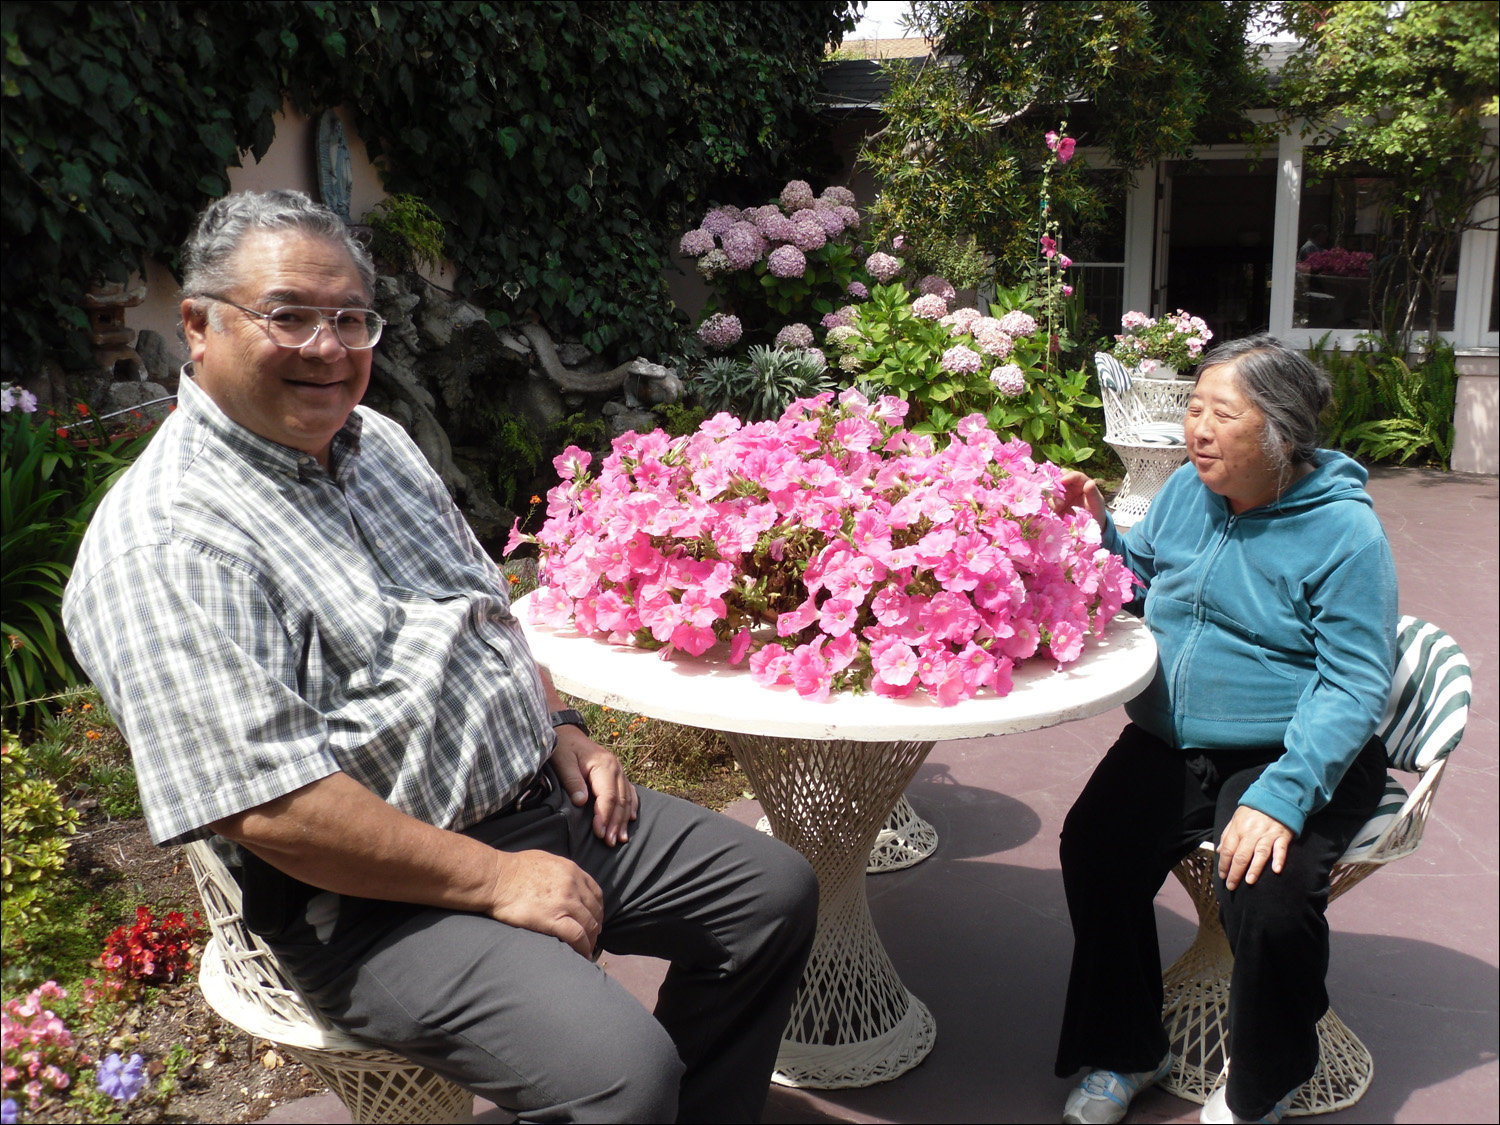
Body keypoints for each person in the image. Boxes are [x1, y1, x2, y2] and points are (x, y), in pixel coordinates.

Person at [62, 190, 818, 1124]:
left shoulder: (373, 440)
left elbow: (481, 608)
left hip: (539, 799)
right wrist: (499, 878)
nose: (330, 348)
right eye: (288, 315)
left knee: (772, 896)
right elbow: (271, 808)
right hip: (374, 899)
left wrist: (563, 726)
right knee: (621, 1073)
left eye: (350, 318)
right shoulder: (166, 542)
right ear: (198, 326)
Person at [1049, 336, 1396, 1125]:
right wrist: (1099, 529)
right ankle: (1126, 1048)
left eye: (1221, 414)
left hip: (1295, 747)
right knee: (1096, 846)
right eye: (1193, 409)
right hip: (1176, 740)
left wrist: (1283, 794)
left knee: (1267, 898)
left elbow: (1354, 682)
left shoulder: (1344, 535)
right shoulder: (1185, 491)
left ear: (1279, 431)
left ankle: (1262, 1085)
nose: (1197, 429)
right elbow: (1139, 575)